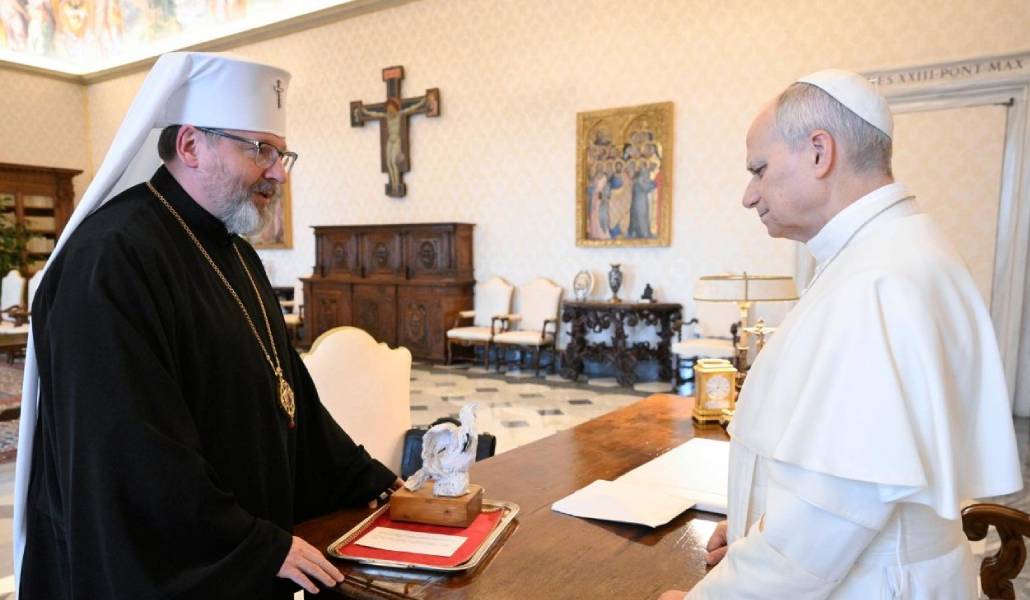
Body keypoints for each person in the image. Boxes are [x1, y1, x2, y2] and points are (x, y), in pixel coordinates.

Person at [15, 52, 401, 599]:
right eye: (260, 150)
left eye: (281, 153)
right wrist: (248, 543)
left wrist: (368, 480)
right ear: (191, 144)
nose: (276, 172)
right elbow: (128, 447)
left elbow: (287, 392)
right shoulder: (111, 257)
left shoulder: (235, 251)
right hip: (161, 569)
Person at [660, 69, 1022, 599]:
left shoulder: (877, 279)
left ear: (818, 152)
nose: (748, 194)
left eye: (759, 169)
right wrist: (753, 528)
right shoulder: (891, 252)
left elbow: (826, 520)